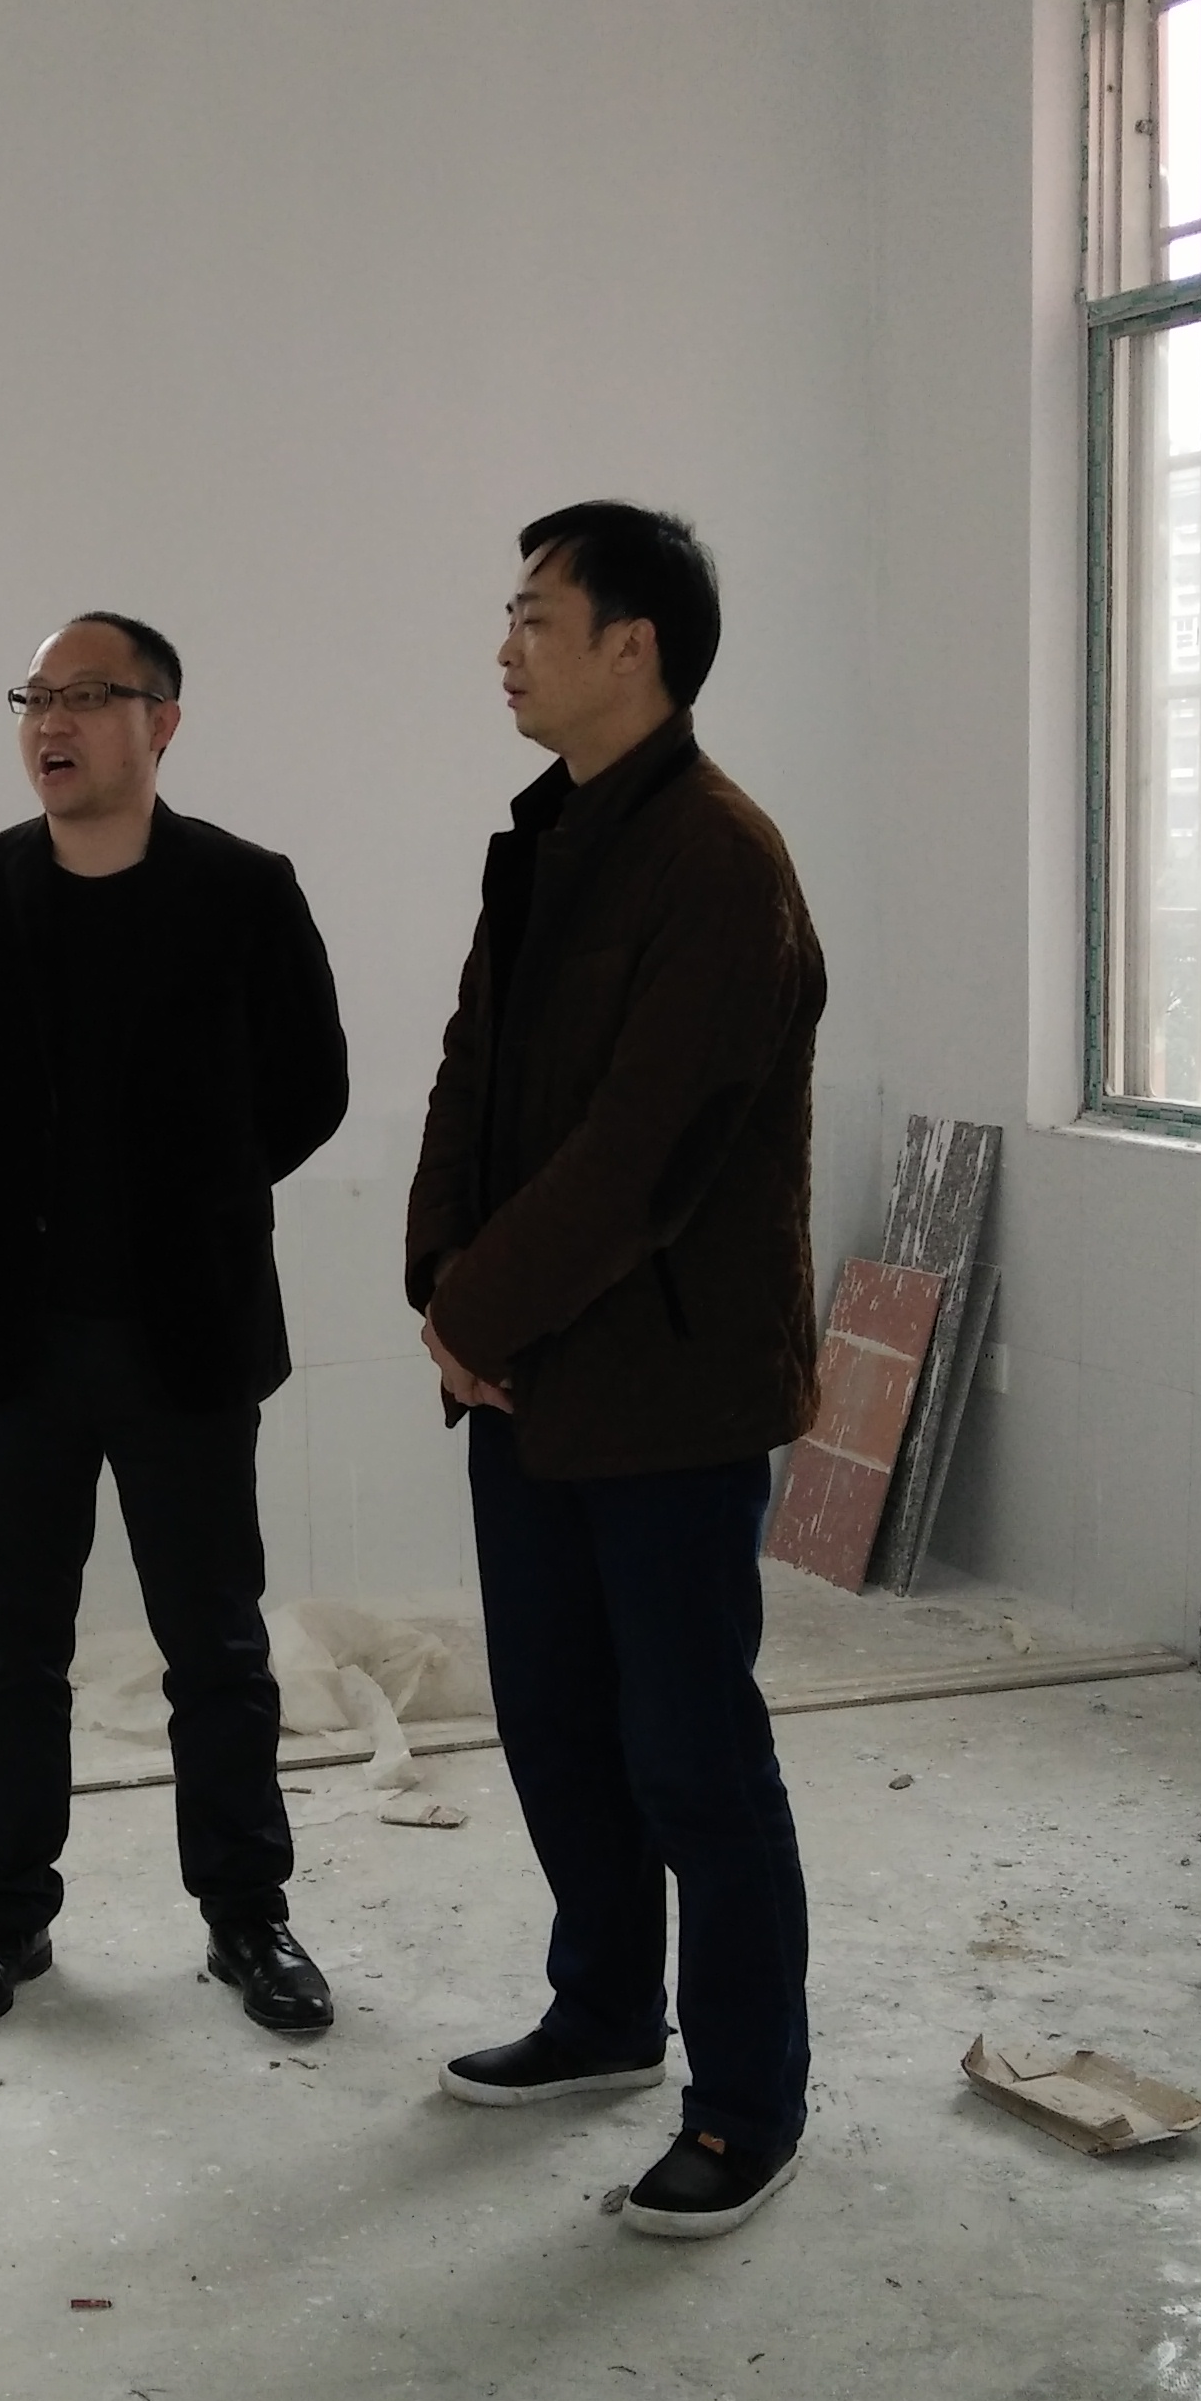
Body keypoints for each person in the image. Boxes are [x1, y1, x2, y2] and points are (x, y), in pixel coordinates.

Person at [405, 502, 827, 2243]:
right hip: (527, 1382)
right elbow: (472, 1077)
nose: (505, 647)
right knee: (559, 1724)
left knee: (692, 1756)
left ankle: (746, 2102)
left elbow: (646, 1153)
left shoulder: (723, 862)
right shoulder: (545, 838)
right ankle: (601, 2012)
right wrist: (444, 1289)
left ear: (632, 646)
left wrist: (479, 1314)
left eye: (535, 616)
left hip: (667, 1394)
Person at [0, 611, 350, 2035]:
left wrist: (201, 1194)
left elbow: (313, 1082)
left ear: (161, 722)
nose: (50, 723)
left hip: (190, 1341)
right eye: (33, 699)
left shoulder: (243, 889)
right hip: (18, 1346)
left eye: (84, 695)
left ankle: (248, 1918)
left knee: (217, 1650)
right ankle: (2, 1920)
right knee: (16, 1649)